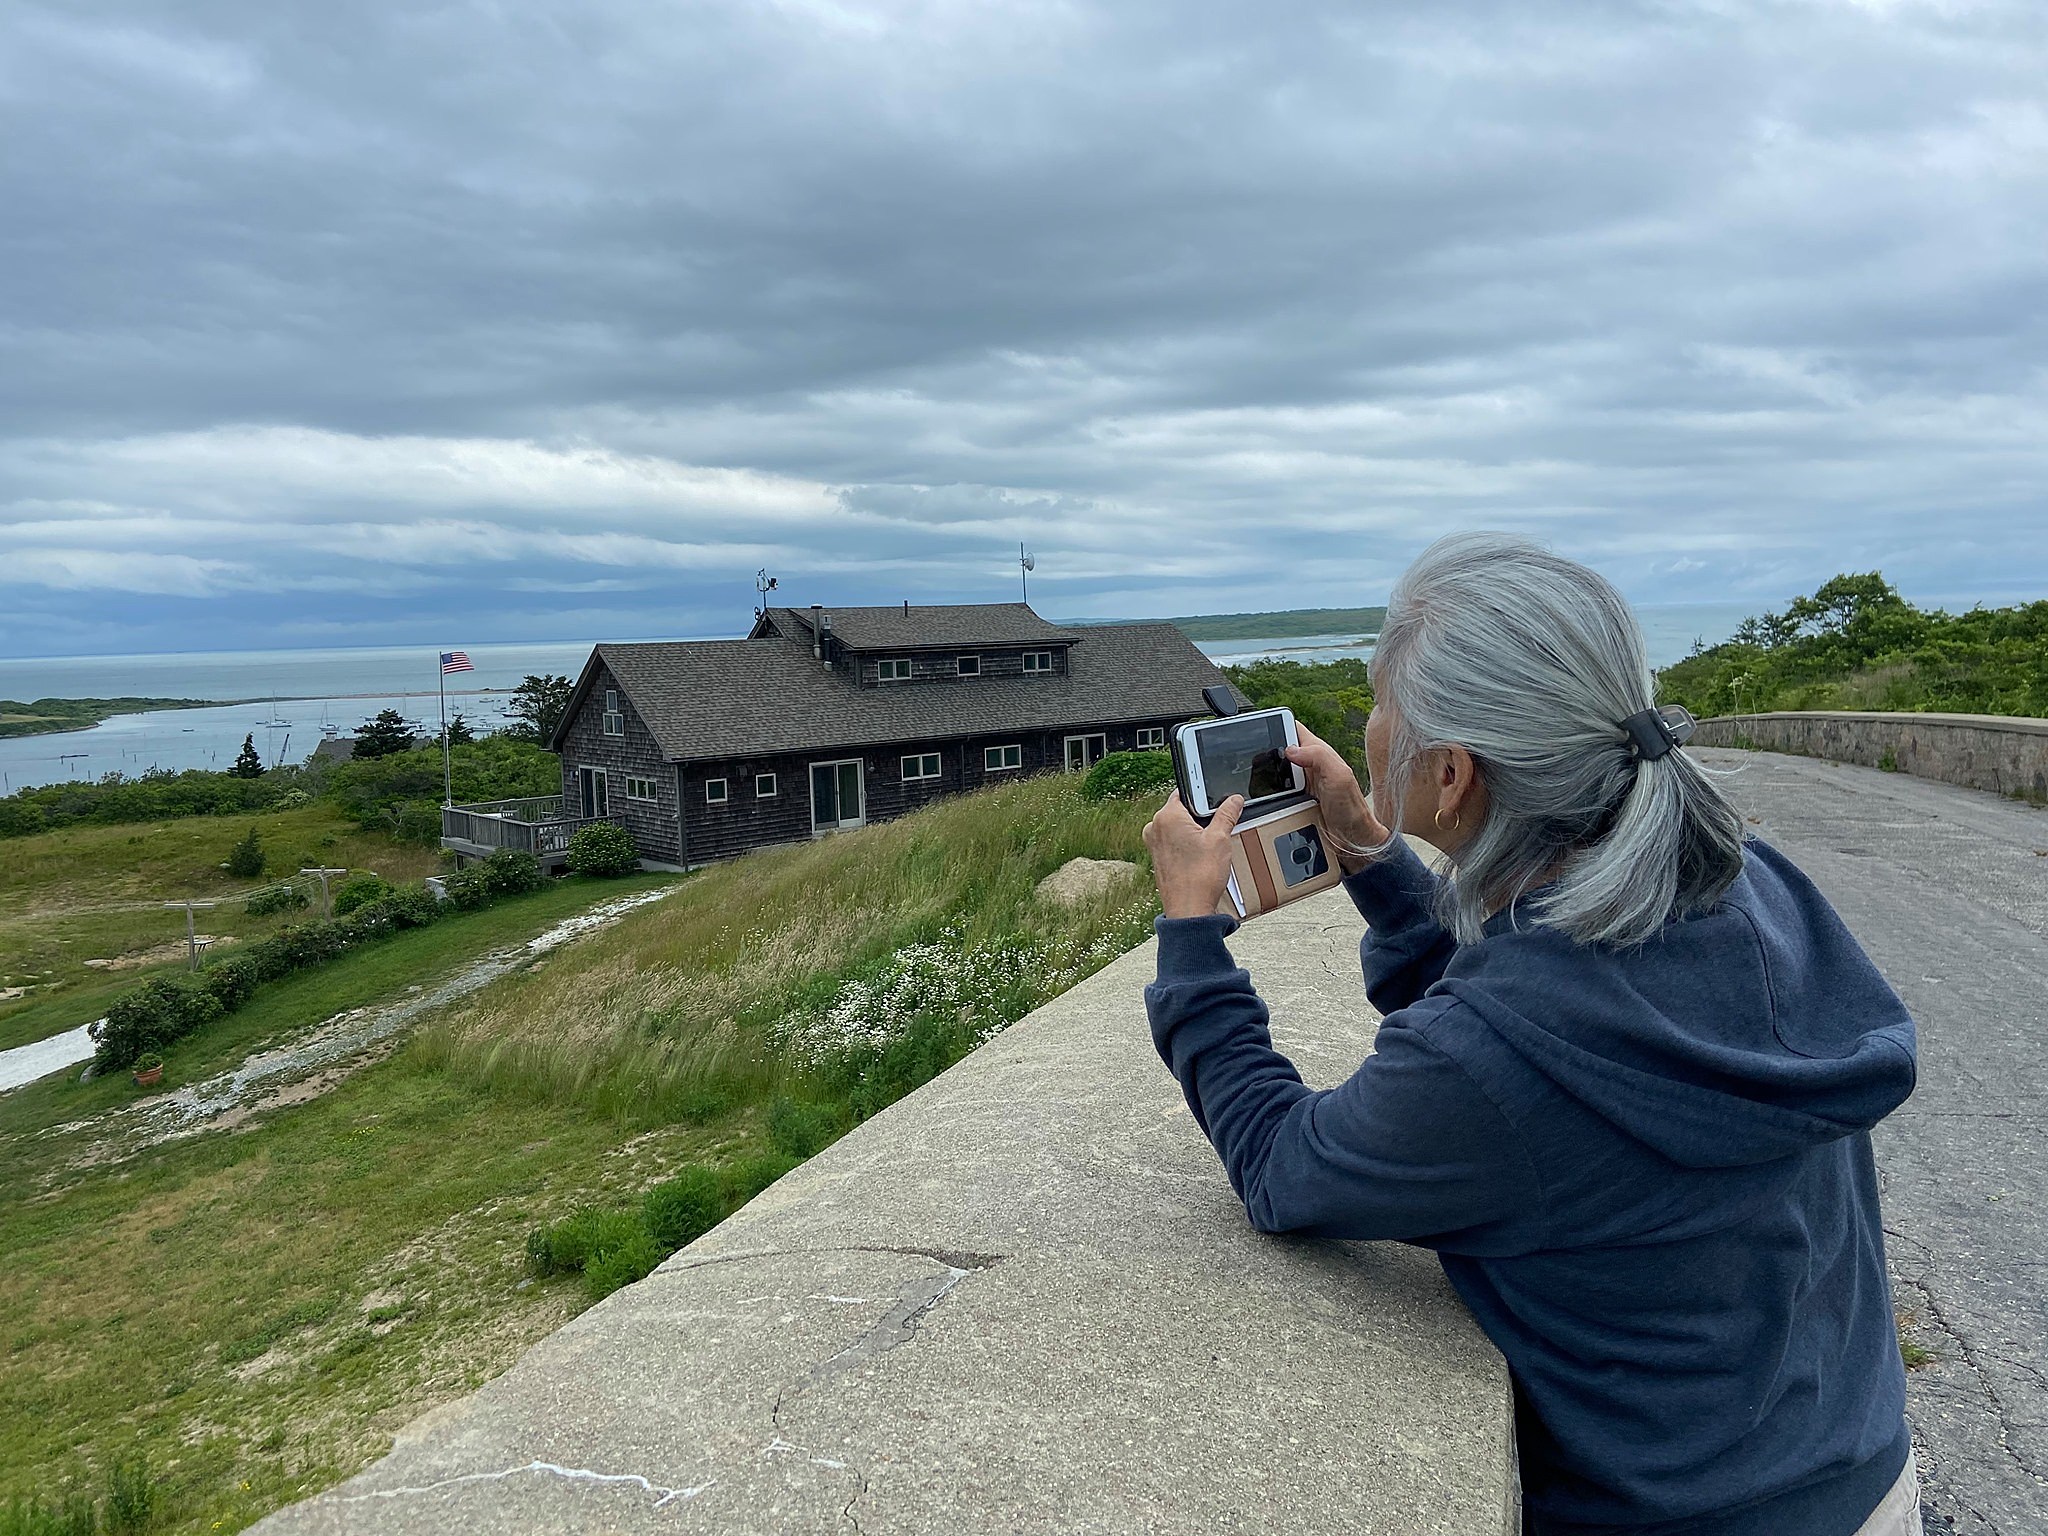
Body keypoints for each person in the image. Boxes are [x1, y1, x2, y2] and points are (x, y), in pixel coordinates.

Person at [1141, 533, 1920, 1536]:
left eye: (1380, 705)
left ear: (1452, 773)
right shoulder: (1738, 885)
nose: (1367, 727)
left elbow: (1285, 1169)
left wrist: (1190, 938)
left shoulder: (1496, 1054)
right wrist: (1378, 857)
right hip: (1854, 1471)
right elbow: (1546, 1025)